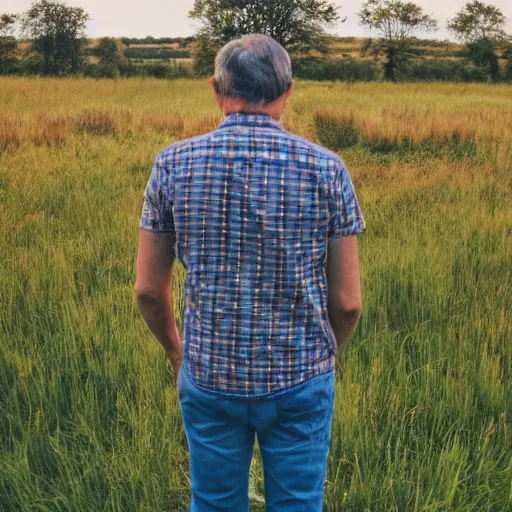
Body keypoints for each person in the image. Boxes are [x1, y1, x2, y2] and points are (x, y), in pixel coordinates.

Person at [135, 33, 365, 512]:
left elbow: (148, 292)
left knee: (215, 503)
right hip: (301, 376)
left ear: (216, 90)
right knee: (298, 504)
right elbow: (347, 303)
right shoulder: (328, 169)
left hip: (209, 373)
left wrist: (180, 354)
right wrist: (322, 359)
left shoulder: (172, 165)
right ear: (288, 91)